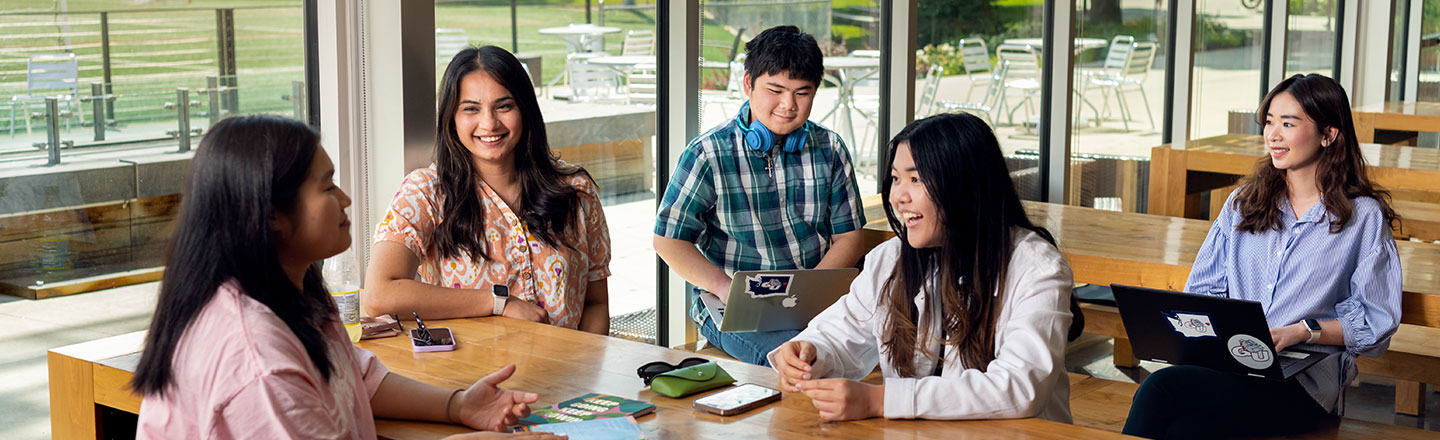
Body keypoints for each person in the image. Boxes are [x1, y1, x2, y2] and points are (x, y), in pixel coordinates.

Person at [130, 115, 560, 439]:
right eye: (327, 186)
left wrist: (459, 405)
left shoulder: (292, 295)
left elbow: (356, 381)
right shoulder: (258, 362)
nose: (346, 199)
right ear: (270, 215)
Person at [1121, 74, 1402, 439]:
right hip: (1232, 367)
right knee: (1181, 430)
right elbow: (1203, 291)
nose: (1273, 134)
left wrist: (1303, 331)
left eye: (1289, 123)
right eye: (1270, 122)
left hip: (1303, 386)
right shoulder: (1243, 204)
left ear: (1328, 134)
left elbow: (1376, 323)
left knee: (1160, 389)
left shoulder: (1362, 216)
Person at [769, 113, 1075, 423]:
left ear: (966, 186)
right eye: (896, 178)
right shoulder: (889, 260)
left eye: (916, 179)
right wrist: (808, 352)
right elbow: (839, 334)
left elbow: (1019, 388)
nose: (899, 197)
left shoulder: (1037, 268)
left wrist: (882, 400)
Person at [654, 25, 866, 366]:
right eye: (776, 90)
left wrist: (810, 295)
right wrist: (726, 289)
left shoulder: (830, 147)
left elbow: (849, 236)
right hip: (735, 306)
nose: (788, 105)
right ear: (748, 83)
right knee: (799, 360)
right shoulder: (707, 153)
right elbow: (668, 242)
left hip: (817, 298)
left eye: (802, 93)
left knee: (886, 350)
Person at [365, 46, 611, 334]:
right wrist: (499, 302)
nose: (489, 123)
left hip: (569, 374)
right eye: (471, 108)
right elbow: (379, 296)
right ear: (451, 118)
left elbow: (595, 303)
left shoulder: (576, 192)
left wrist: (586, 373)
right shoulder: (426, 192)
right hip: (469, 377)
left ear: (525, 109)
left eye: (504, 106)